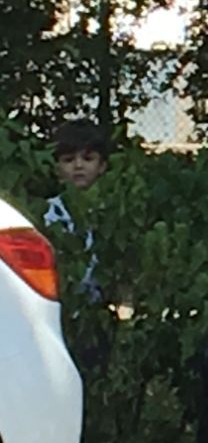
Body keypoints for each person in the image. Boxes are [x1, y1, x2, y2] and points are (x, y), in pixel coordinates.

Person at [44, 121, 111, 368]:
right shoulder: (50, 213)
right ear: (58, 168)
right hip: (60, 314)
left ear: (102, 166)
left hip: (98, 313)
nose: (78, 166)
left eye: (88, 158)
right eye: (69, 159)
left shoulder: (112, 212)